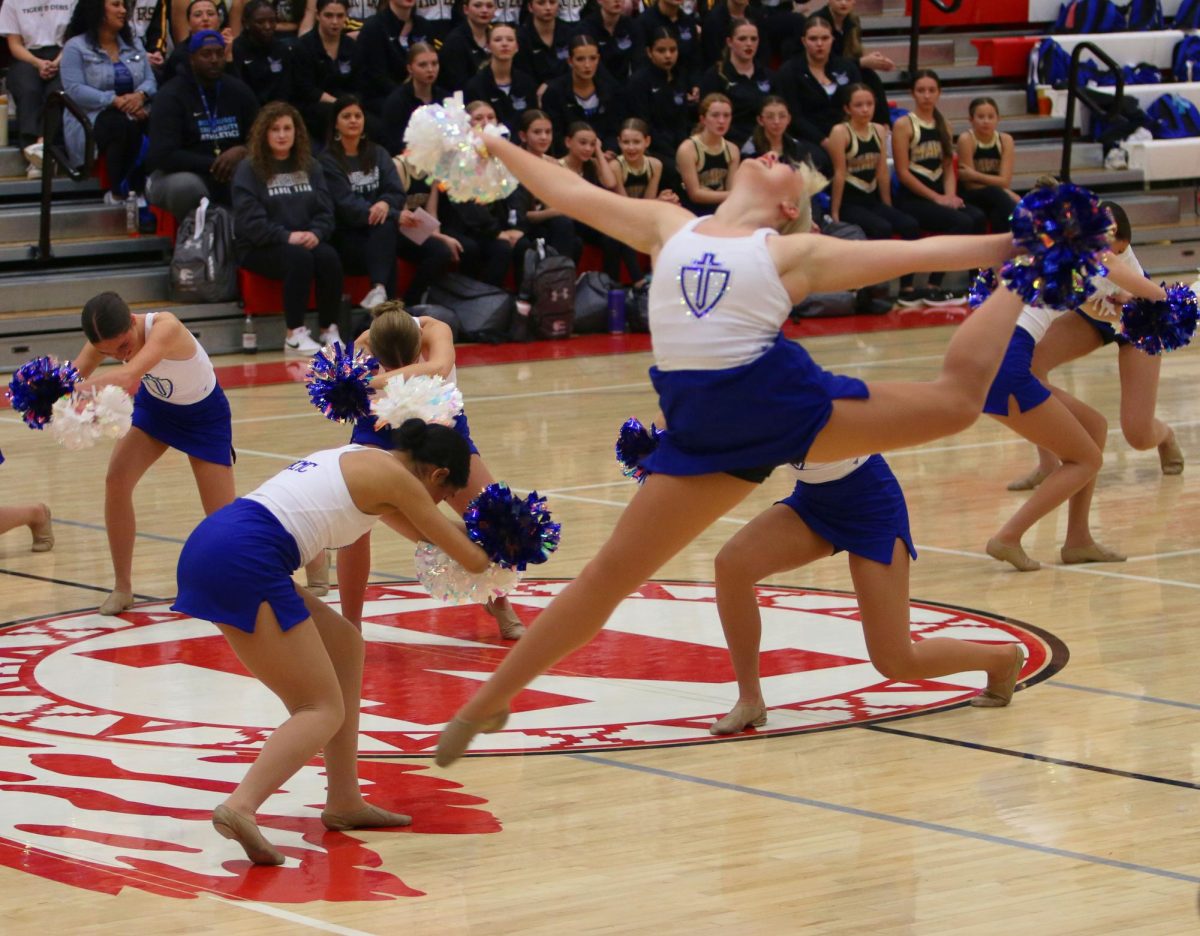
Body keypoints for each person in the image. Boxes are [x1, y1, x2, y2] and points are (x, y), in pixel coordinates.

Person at [432, 130, 1037, 767]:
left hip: (778, 403)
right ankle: (490, 699)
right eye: (773, 155)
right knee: (607, 574)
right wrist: (498, 147)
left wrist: (1010, 248)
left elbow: (914, 253)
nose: (774, 155)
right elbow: (572, 191)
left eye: (788, 167)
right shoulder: (669, 224)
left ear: (786, 206)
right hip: (707, 433)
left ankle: (1024, 281)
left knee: (958, 403)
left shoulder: (791, 250)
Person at [173, 419, 491, 864]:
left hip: (223, 542)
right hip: (244, 556)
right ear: (438, 476)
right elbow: (471, 559)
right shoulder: (399, 481)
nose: (437, 504)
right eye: (443, 497)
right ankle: (241, 806)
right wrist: (510, 544)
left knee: (345, 644)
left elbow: (430, 534)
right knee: (321, 708)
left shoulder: (368, 462)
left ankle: (344, 800)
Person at [710, 453, 1024, 735]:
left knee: (897, 662)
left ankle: (1001, 660)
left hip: (872, 507)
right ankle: (750, 700)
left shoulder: (798, 395)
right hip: (813, 501)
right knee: (732, 565)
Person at [981, 214, 1167, 572]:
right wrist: (1177, 301)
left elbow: (1100, 305)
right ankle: (1008, 536)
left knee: (1094, 427)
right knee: (1086, 460)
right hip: (1008, 366)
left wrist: (1121, 303)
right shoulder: (1093, 256)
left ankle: (1078, 540)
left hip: (986, 358)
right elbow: (1154, 293)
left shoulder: (1053, 257)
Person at [336, 304, 528, 639]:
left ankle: (499, 600)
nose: (400, 369)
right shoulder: (364, 344)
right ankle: (350, 622)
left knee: (494, 515)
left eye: (406, 361)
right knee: (356, 518)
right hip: (381, 430)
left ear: (417, 343)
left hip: (442, 423)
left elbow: (439, 367)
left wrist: (371, 380)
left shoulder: (436, 328)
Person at [71, 291, 236, 616]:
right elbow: (74, 374)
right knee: (116, 481)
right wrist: (42, 390)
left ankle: (274, 570)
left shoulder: (166, 326)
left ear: (133, 321)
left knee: (223, 518)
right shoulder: (105, 340)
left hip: (205, 417)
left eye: (122, 346)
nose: (118, 353)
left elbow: (127, 375)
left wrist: (81, 392)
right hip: (157, 409)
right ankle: (122, 587)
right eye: (108, 351)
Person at [1008, 199, 1186, 490]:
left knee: (1138, 435)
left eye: (1122, 252)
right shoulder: (1075, 252)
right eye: (1111, 251)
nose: (1117, 256)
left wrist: (1124, 302)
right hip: (1092, 316)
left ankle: (1164, 435)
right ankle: (1047, 462)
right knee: (1030, 365)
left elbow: (1157, 307)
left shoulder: (1127, 270)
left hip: (1137, 319)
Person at [232, 100, 344, 353]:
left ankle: (329, 330)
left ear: (297, 132)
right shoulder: (248, 169)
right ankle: (294, 333)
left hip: (304, 240)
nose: (282, 135)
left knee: (329, 257)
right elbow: (250, 222)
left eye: (287, 128)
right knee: (299, 258)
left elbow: (326, 210)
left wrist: (317, 233)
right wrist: (287, 236)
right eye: (275, 129)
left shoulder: (311, 166)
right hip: (259, 247)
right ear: (264, 134)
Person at [321, 95, 453, 308]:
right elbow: (346, 205)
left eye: (358, 115)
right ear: (335, 123)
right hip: (352, 236)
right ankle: (382, 296)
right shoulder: (328, 161)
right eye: (346, 116)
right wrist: (391, 213)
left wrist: (384, 203)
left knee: (439, 252)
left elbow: (395, 191)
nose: (353, 120)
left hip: (386, 228)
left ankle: (406, 304)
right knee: (386, 233)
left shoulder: (378, 153)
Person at [892, 69, 986, 307]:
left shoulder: (944, 124)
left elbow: (947, 169)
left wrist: (950, 195)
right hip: (912, 198)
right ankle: (933, 285)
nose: (926, 96)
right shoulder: (903, 125)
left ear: (939, 93)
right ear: (912, 93)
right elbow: (903, 173)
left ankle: (975, 283)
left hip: (937, 196)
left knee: (977, 216)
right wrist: (938, 198)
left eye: (931, 90)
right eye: (921, 90)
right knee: (961, 221)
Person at [145, 29, 258, 219]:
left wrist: (243, 151)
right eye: (206, 54)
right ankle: (195, 241)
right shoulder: (170, 95)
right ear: (192, 58)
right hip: (178, 174)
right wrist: (215, 164)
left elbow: (262, 136)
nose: (214, 59)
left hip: (232, 171)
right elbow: (163, 156)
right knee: (187, 187)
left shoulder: (239, 90)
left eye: (219, 53)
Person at [825, 83, 919, 298]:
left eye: (869, 104)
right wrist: (835, 212)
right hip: (849, 201)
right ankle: (876, 288)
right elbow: (839, 173)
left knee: (910, 225)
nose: (865, 109)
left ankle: (907, 287)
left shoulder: (878, 129)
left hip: (872, 199)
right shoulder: (840, 132)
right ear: (847, 109)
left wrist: (887, 205)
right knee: (881, 228)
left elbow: (882, 173)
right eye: (859, 105)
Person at [60, 0, 158, 203]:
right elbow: (75, 89)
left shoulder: (134, 43)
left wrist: (140, 96)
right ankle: (118, 192)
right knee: (120, 125)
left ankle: (152, 189)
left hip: (135, 108)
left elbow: (150, 80)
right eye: (116, 5)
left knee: (162, 119)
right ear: (97, 10)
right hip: (91, 116)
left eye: (124, 6)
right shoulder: (75, 47)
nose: (123, 10)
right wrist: (113, 100)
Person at [771, 15, 861, 176]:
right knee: (820, 160)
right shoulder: (789, 71)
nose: (819, 44)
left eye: (825, 38)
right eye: (813, 39)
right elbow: (794, 117)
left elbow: (858, 103)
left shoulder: (847, 67)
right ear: (804, 41)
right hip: (807, 138)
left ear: (832, 39)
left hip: (845, 134)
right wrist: (825, 142)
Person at [561, 120, 646, 286]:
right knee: (614, 230)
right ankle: (638, 282)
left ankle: (613, 285)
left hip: (592, 221)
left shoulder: (592, 164)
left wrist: (598, 152)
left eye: (592, 144)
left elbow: (610, 183)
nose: (588, 148)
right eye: (583, 143)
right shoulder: (557, 165)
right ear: (568, 142)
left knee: (614, 236)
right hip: (571, 221)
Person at [0, 0, 72, 177]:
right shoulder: (12, 2)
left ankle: (42, 150)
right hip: (27, 55)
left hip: (64, 54)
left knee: (57, 91)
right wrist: (37, 63)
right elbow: (14, 44)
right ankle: (36, 153)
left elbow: (73, 39)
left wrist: (55, 63)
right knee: (28, 89)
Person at [513, 109, 582, 260]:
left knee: (572, 235)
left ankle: (562, 278)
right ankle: (557, 277)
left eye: (548, 132)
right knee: (562, 224)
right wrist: (558, 211)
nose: (544, 137)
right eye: (537, 132)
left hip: (546, 221)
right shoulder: (514, 163)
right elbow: (522, 216)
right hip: (520, 224)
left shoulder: (553, 163)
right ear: (523, 136)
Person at [810, 0, 893, 126]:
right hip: (821, 69)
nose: (843, 3)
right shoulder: (819, 20)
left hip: (846, 68)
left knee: (870, 76)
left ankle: (884, 126)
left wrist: (876, 61)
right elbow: (824, 58)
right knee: (862, 75)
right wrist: (861, 62)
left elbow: (854, 54)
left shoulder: (853, 20)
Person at [539, 34, 625, 154]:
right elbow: (556, 135)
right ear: (570, 61)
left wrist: (610, 151)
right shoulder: (555, 92)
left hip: (605, 156)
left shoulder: (610, 89)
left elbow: (615, 129)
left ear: (598, 59)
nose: (587, 65)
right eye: (580, 59)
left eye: (592, 58)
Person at [293, 0, 361, 142]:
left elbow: (358, 82)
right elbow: (307, 89)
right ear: (318, 16)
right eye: (328, 16)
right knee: (330, 115)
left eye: (340, 16)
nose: (335, 21)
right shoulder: (303, 46)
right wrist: (339, 104)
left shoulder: (351, 46)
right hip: (314, 107)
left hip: (347, 103)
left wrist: (350, 104)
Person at [698, 18, 771, 149]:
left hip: (766, 138)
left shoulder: (767, 74)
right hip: (731, 141)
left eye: (753, 39)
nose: (749, 44)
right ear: (729, 42)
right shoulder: (715, 76)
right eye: (742, 39)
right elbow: (708, 117)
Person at [352, 0, 433, 117]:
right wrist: (406, 97)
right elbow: (376, 76)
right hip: (381, 99)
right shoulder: (373, 28)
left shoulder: (424, 26)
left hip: (420, 95)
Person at [626, 27, 690, 163]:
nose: (668, 55)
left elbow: (682, 119)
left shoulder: (680, 76)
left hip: (678, 144)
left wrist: (684, 147)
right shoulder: (639, 81)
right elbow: (643, 124)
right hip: (652, 147)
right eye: (661, 51)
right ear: (649, 52)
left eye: (673, 50)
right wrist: (672, 152)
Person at [956, 96, 1019, 235]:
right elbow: (969, 184)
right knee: (999, 195)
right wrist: (1000, 189)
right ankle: (1024, 226)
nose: (986, 121)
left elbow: (1005, 181)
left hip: (997, 196)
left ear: (998, 119)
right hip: (971, 195)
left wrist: (975, 175)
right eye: (980, 117)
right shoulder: (966, 139)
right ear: (971, 120)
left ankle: (1004, 253)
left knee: (998, 214)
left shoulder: (1005, 140)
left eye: (991, 117)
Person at [463, 23, 538, 138]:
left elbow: (533, 122)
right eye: (498, 40)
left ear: (517, 47)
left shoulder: (527, 83)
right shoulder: (475, 85)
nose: (504, 44)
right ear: (488, 46)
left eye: (510, 40)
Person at [676, 93, 740, 215]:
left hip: (720, 212)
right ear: (703, 119)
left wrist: (734, 195)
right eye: (715, 115)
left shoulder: (733, 150)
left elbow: (730, 189)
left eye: (726, 115)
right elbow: (695, 194)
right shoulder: (688, 149)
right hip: (692, 213)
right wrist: (736, 195)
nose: (721, 121)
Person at [380, 42, 448, 155]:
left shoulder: (445, 98)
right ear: (410, 68)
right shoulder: (396, 102)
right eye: (423, 65)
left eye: (434, 63)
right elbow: (393, 144)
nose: (430, 69)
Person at [229, 0, 295, 106]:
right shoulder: (236, 50)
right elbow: (238, 90)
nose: (267, 26)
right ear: (246, 23)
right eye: (260, 22)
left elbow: (286, 88)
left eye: (272, 21)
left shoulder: (281, 49)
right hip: (248, 109)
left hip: (278, 109)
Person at [633, 0, 702, 98]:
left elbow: (695, 61)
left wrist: (695, 86)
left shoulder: (688, 22)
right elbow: (639, 62)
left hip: (684, 89)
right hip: (653, 91)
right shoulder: (644, 22)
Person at [160, 0, 234, 85]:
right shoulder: (180, 55)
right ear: (188, 23)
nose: (205, 19)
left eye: (210, 14)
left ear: (219, 21)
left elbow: (236, 88)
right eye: (198, 15)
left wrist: (228, 56)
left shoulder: (230, 47)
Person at [615, 117, 678, 204]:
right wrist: (659, 201)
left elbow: (648, 202)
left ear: (647, 141)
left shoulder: (655, 165)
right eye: (626, 142)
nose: (631, 147)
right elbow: (625, 206)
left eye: (636, 142)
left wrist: (667, 198)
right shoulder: (615, 166)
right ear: (619, 142)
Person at [438, 0, 495, 92]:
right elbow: (457, 84)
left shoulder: (496, 37)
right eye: (477, 6)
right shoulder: (455, 41)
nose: (484, 10)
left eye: (489, 6)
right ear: (466, 9)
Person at [577, 0, 637, 83]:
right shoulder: (586, 29)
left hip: (625, 85)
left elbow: (638, 60)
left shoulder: (632, 26)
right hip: (597, 84)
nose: (617, 1)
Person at [517, 0, 571, 93]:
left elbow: (575, 69)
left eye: (552, 2)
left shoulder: (570, 32)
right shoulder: (521, 37)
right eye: (541, 3)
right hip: (534, 93)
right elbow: (523, 75)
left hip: (566, 90)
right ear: (530, 7)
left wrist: (552, 84)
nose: (548, 8)